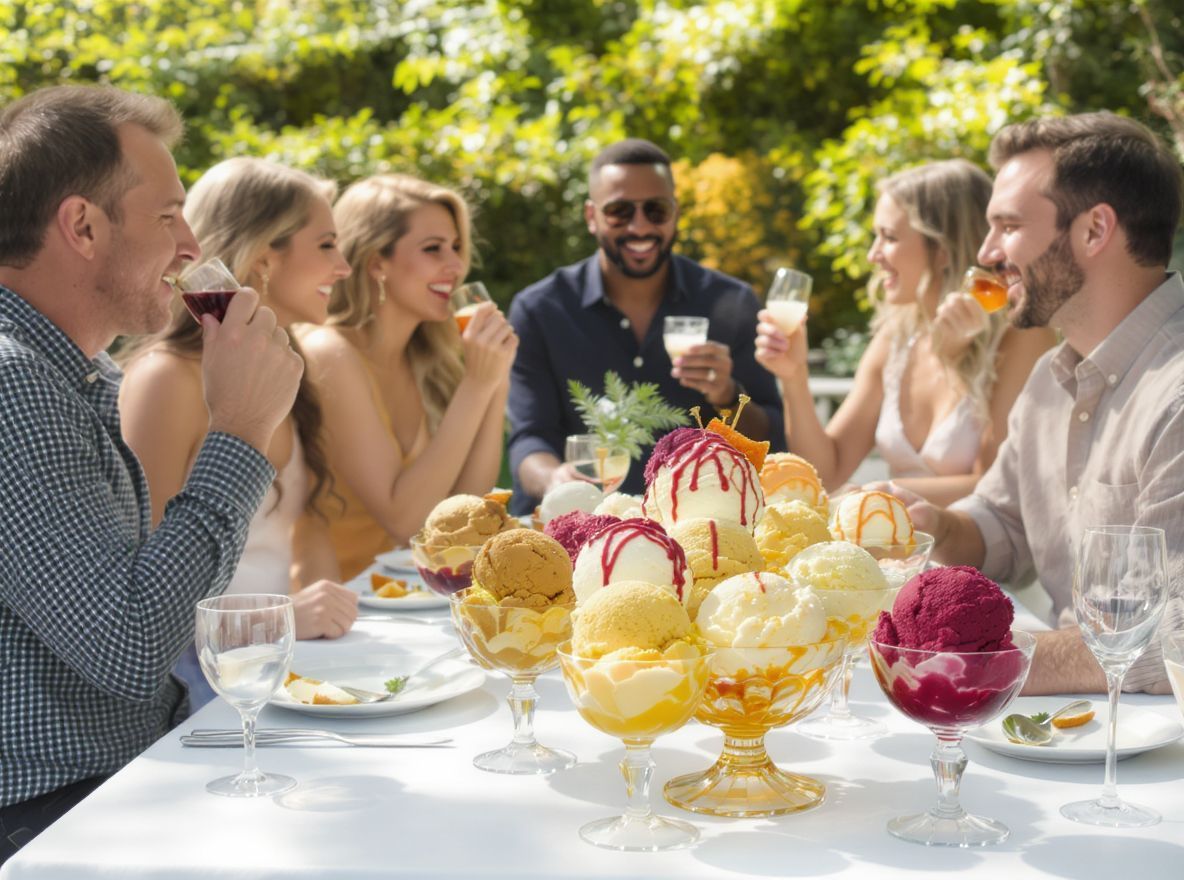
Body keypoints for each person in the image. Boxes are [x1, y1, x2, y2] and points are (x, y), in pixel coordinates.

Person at [0, 85, 302, 856]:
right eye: (168, 216)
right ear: (82, 226)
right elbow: (130, 647)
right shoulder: (15, 383)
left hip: (122, 776)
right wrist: (238, 431)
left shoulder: (75, 371)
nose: (192, 247)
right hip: (55, 817)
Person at [899, 112, 1184, 694]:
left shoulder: (1175, 395)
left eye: (1007, 227)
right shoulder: (1049, 382)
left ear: (1094, 230)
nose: (986, 252)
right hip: (1071, 732)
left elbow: (1171, 637)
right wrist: (933, 525)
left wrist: (984, 660)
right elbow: (1004, 527)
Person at [118, 158, 359, 707]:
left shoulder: (283, 369)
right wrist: (282, 619)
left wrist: (327, 636)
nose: (344, 266)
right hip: (197, 683)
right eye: (325, 245)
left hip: (279, 664)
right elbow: (140, 586)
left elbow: (309, 528)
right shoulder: (166, 379)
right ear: (263, 258)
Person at [755, 160, 1055, 505]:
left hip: (985, 556)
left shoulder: (1020, 336)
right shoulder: (896, 337)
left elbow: (997, 487)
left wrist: (882, 494)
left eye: (889, 237)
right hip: (903, 556)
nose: (873, 255)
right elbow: (825, 471)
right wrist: (794, 375)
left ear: (941, 248)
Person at [508, 139, 784, 513]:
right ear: (592, 217)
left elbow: (773, 437)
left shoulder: (732, 301)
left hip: (698, 528)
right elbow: (529, 438)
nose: (640, 227)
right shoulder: (540, 309)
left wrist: (726, 394)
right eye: (620, 211)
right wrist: (555, 479)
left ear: (676, 213)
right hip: (578, 525)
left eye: (656, 210)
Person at [300, 174, 516, 579]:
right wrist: (477, 385)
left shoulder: (427, 359)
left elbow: (464, 506)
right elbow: (402, 521)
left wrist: (496, 379)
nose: (454, 266)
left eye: (455, 247)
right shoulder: (330, 352)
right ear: (376, 261)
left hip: (410, 596)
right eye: (433, 249)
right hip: (339, 605)